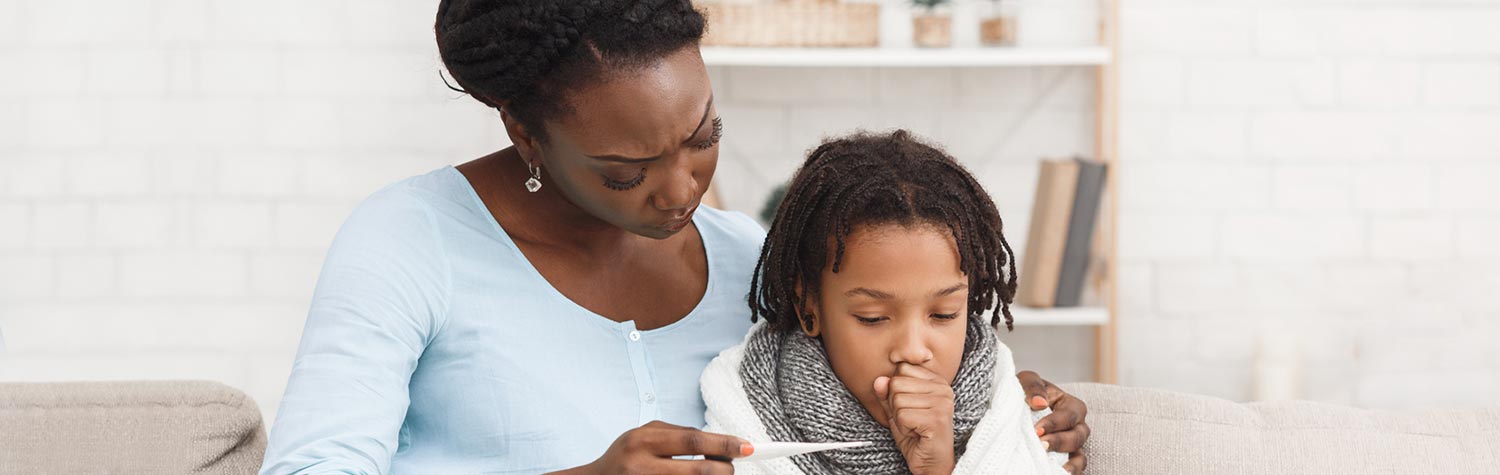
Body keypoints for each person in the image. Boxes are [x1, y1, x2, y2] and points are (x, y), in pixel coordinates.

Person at [258, 1, 1090, 474]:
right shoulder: (409, 241)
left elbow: (861, 413)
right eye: (626, 170)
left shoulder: (751, 259)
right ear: (525, 132)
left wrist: (1001, 410)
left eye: (702, 135)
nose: (682, 187)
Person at [702, 131, 1068, 475]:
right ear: (807, 306)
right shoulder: (743, 404)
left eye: (944, 314)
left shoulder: (1009, 413)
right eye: (873, 318)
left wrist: (939, 466)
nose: (912, 351)